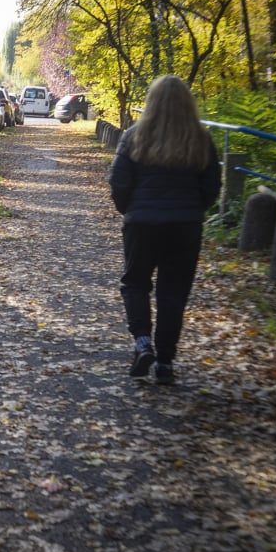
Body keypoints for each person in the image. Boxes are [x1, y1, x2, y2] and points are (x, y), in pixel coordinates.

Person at [108, 75, 222, 385]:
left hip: (142, 225)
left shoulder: (134, 136)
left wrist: (130, 210)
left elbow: (119, 182)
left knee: (135, 284)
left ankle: (143, 342)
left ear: (151, 102)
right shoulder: (201, 139)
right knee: (173, 293)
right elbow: (212, 186)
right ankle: (166, 363)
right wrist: (192, 211)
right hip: (185, 228)